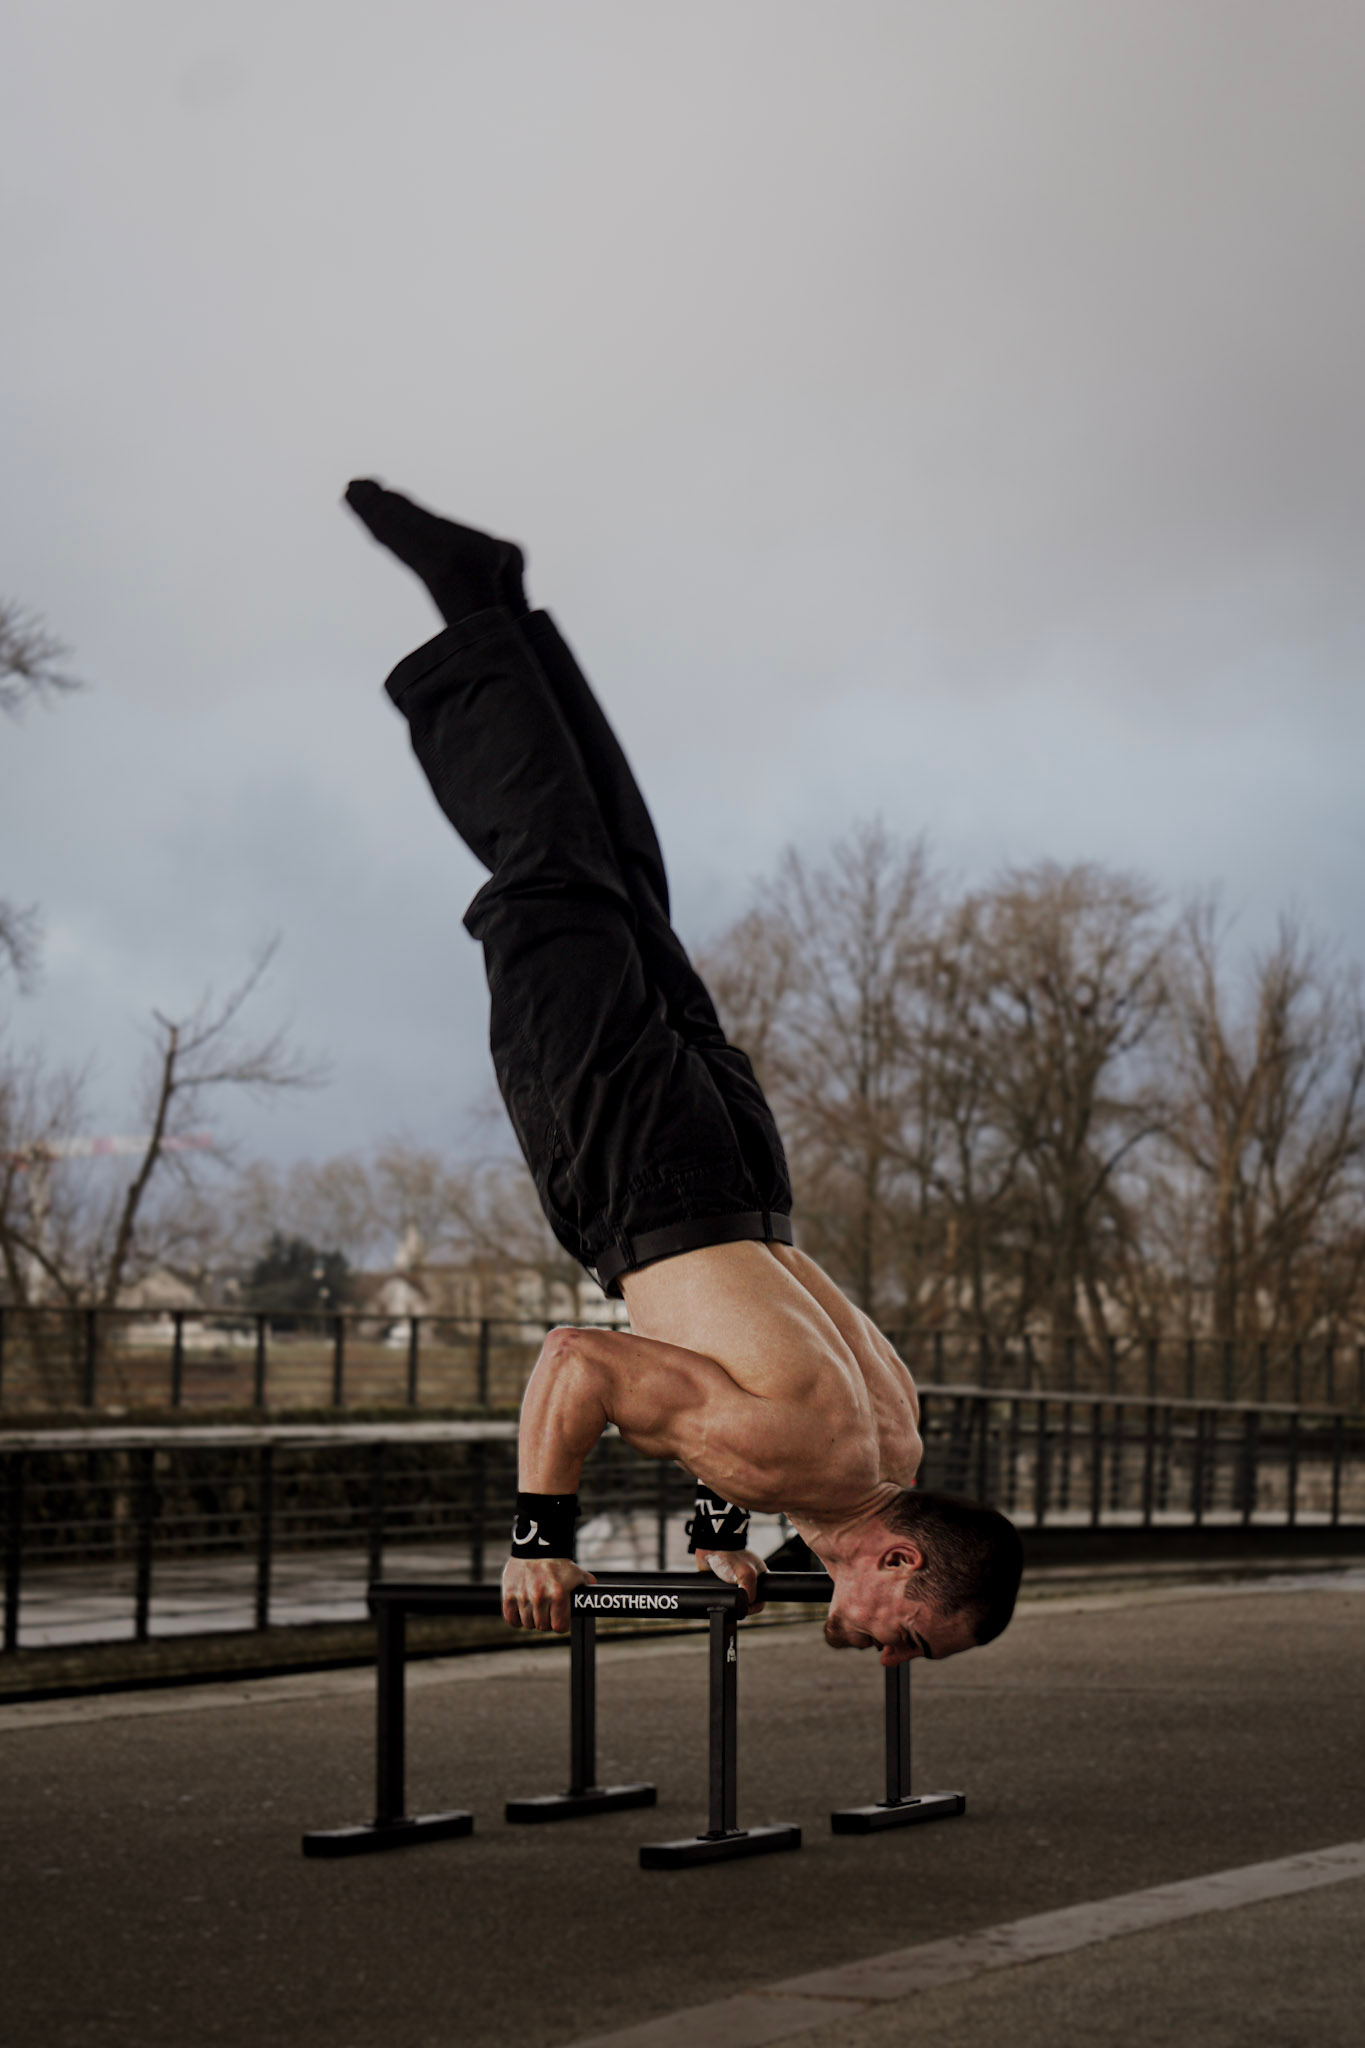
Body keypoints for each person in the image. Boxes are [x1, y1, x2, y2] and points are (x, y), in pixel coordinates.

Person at [345, 479, 1022, 1668]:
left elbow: (735, 1392)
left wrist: (721, 1521)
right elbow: (580, 1361)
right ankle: (468, 598)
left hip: (740, 1164)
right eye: (910, 1636)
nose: (888, 1653)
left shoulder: (892, 1442)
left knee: (617, 879)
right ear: (900, 1557)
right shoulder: (810, 1465)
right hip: (647, 1172)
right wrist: (540, 1535)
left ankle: (499, 602)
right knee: (545, 881)